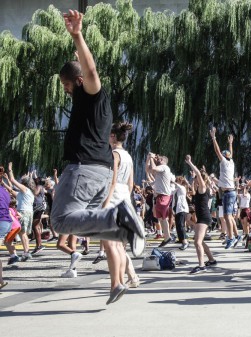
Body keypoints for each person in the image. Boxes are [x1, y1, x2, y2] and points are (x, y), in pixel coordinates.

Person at [50, 10, 145, 304]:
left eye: (67, 86)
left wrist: (77, 35)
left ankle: (119, 218)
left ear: (76, 81)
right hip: (100, 173)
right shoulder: (96, 107)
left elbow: (90, 72)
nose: (66, 92)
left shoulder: (92, 94)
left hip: (84, 169)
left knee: (61, 221)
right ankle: (119, 244)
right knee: (97, 230)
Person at [103, 122, 141, 292]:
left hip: (114, 197)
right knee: (119, 245)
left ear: (113, 137)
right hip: (125, 196)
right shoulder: (128, 155)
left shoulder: (114, 154)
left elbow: (112, 180)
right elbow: (131, 183)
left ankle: (118, 282)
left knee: (111, 245)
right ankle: (125, 280)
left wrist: (106, 202)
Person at [186, 156, 217, 274]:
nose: (194, 179)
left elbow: (199, 173)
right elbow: (194, 188)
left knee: (197, 242)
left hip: (204, 218)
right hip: (203, 217)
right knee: (200, 240)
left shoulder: (203, 188)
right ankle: (211, 260)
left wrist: (190, 162)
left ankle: (201, 265)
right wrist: (195, 175)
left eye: (195, 178)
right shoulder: (203, 188)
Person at [210, 128, 239, 249]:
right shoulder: (231, 162)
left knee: (227, 216)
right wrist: (230, 143)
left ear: (223, 156)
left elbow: (217, 151)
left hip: (228, 193)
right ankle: (237, 235)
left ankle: (231, 238)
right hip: (230, 192)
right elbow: (230, 153)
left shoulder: (224, 162)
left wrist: (214, 137)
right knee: (229, 216)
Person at [6, 163, 35, 261]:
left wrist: (10, 170)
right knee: (24, 233)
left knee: (22, 233)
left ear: (25, 183)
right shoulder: (26, 192)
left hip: (23, 212)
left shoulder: (25, 189)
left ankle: (26, 252)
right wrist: (3, 183)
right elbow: (11, 191)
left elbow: (13, 181)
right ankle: (26, 252)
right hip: (28, 212)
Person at [146, 153, 174, 246]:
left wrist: (152, 158)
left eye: (160, 159)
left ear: (164, 161)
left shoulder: (164, 167)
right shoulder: (160, 170)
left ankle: (168, 237)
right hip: (159, 196)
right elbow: (148, 170)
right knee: (160, 218)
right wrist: (149, 158)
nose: (158, 159)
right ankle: (166, 237)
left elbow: (153, 168)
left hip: (164, 195)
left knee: (163, 217)